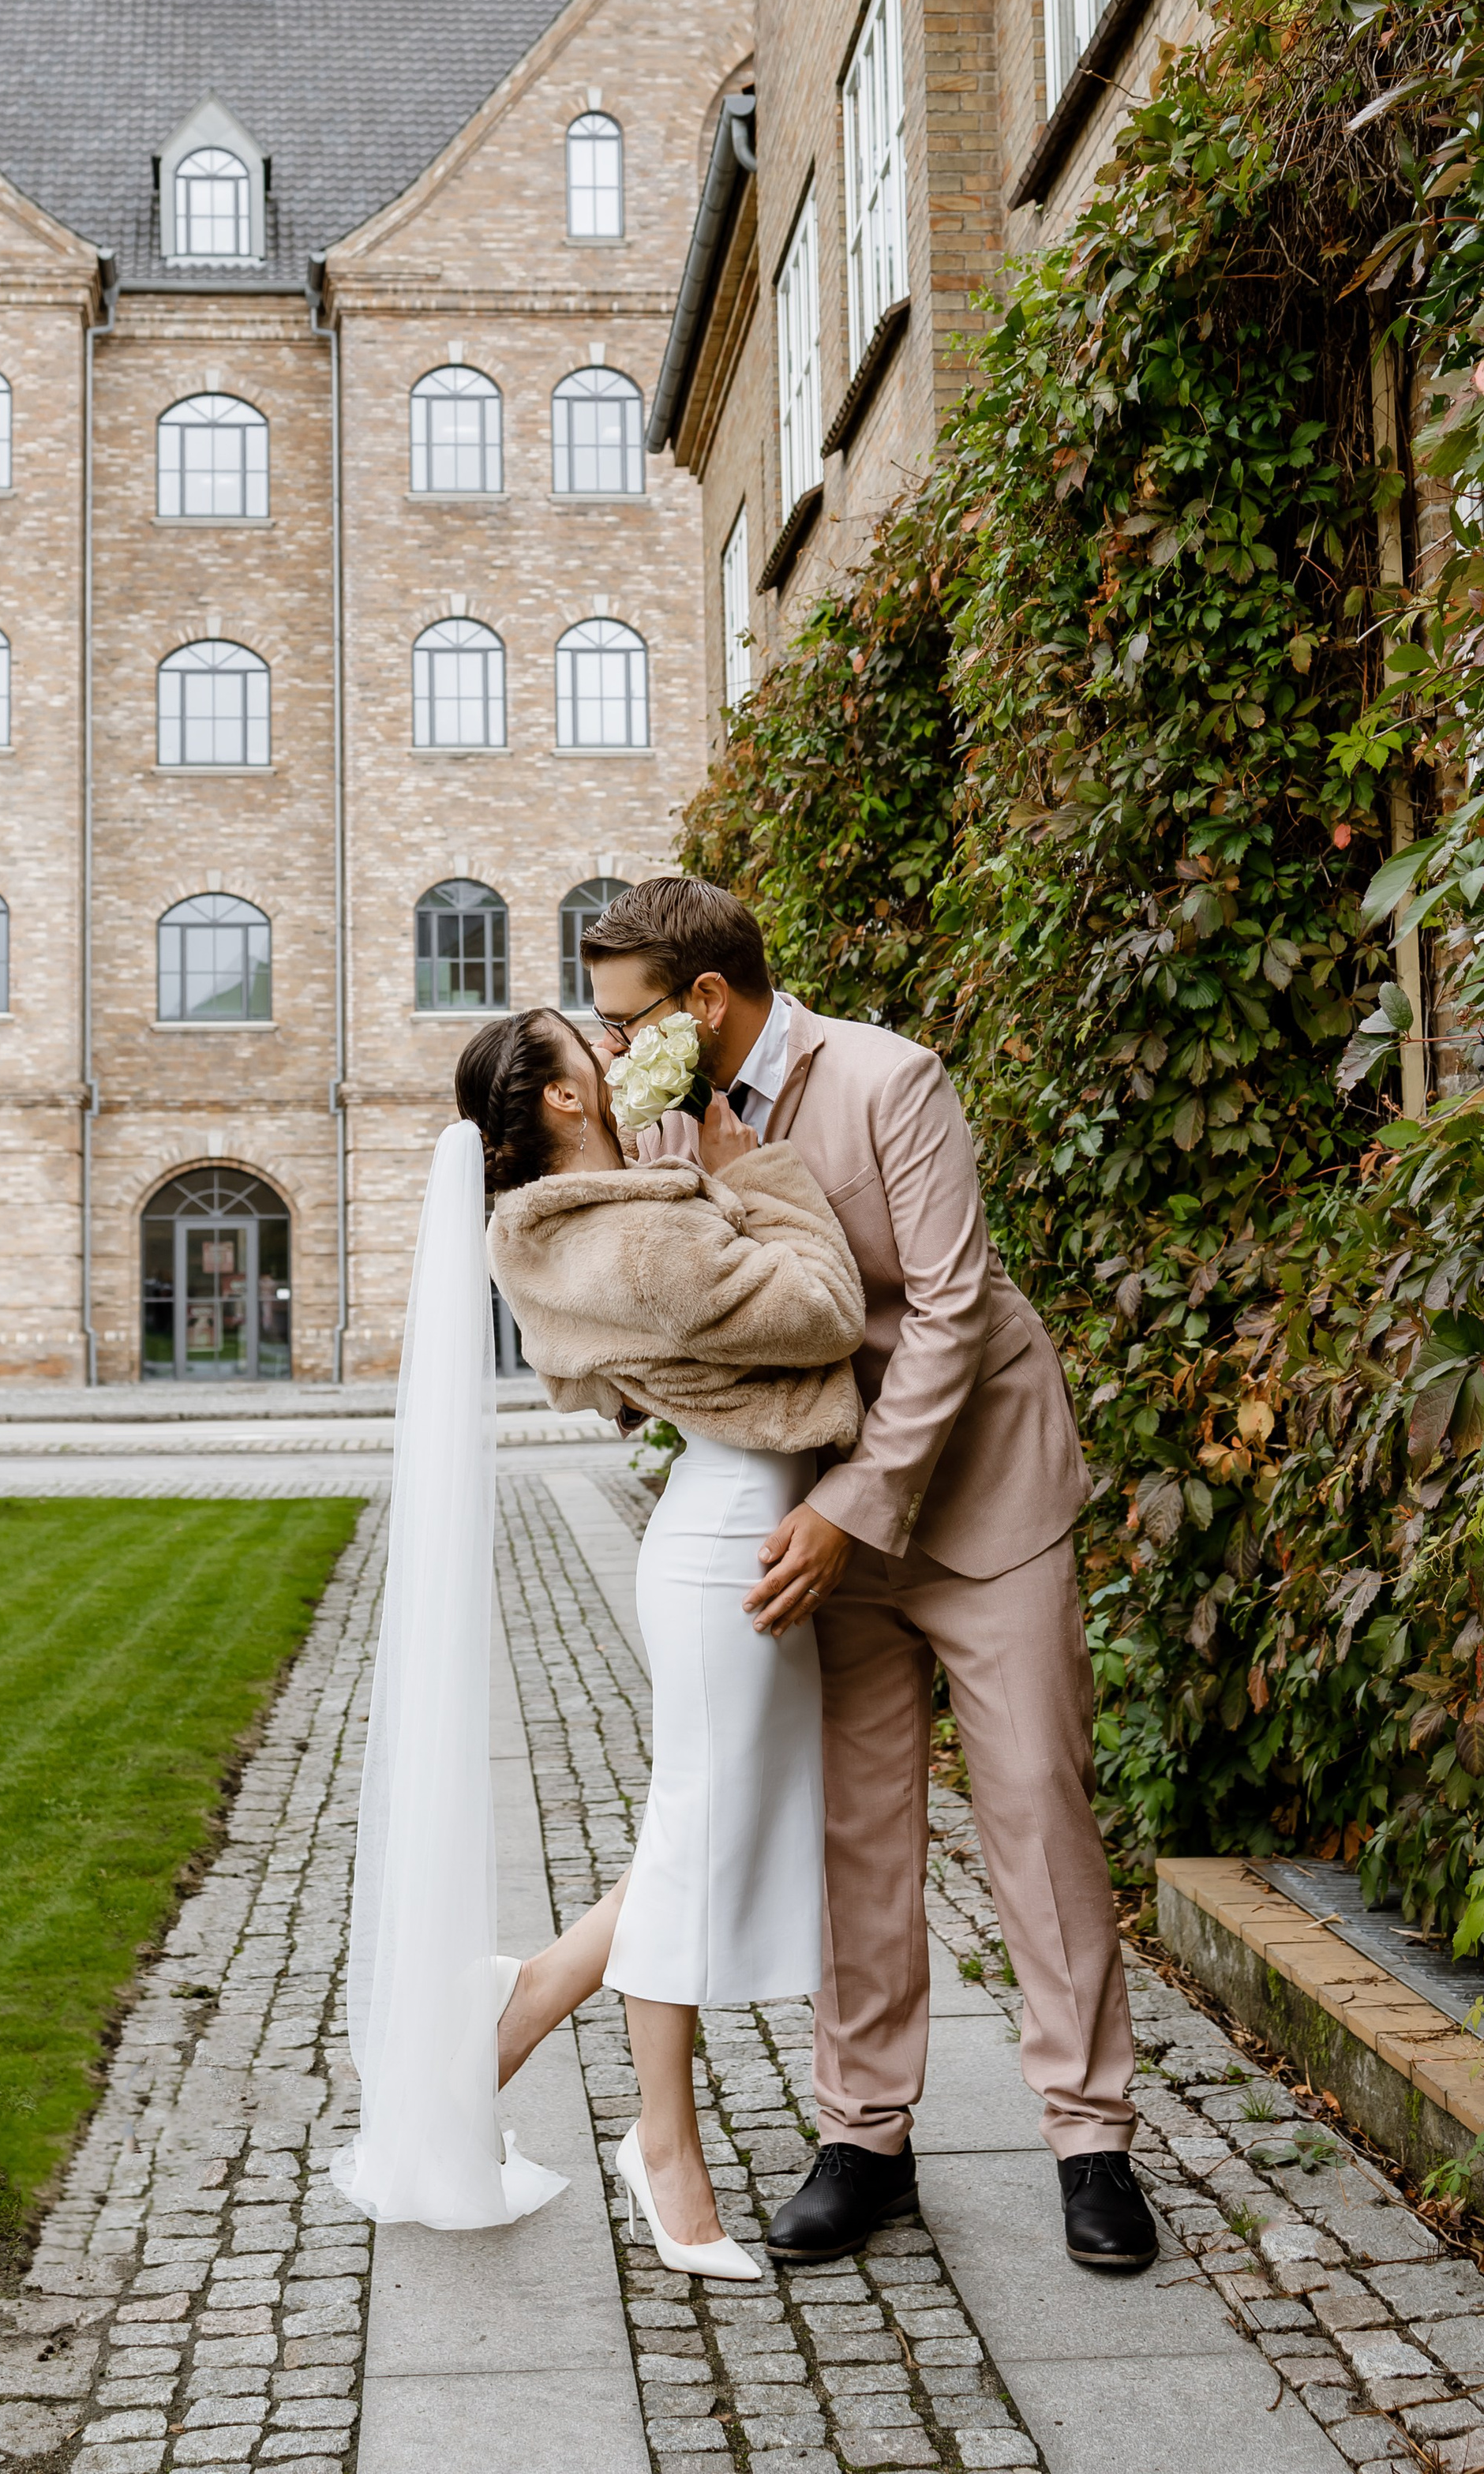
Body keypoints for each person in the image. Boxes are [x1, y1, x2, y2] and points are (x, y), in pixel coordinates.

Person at [577, 872, 1155, 2277]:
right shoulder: (664, 1119)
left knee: (1036, 1812)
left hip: (982, 1498)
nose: (611, 1051)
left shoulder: (895, 1079)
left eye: (625, 1020)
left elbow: (952, 1309)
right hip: (815, 1515)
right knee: (857, 1832)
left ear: (705, 1001)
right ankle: (864, 2140)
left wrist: (858, 1504)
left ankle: (1092, 2144)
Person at [455, 1004, 866, 2279]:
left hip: (731, 1530)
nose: (618, 1052)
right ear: (567, 1102)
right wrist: (752, 1171)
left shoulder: (593, 1230)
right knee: (694, 1844)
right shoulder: (639, 1236)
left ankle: (525, 2003)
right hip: (727, 1545)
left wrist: (699, 1180)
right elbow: (824, 1312)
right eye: (594, 1046)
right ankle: (663, 2149)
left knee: (702, 1829)